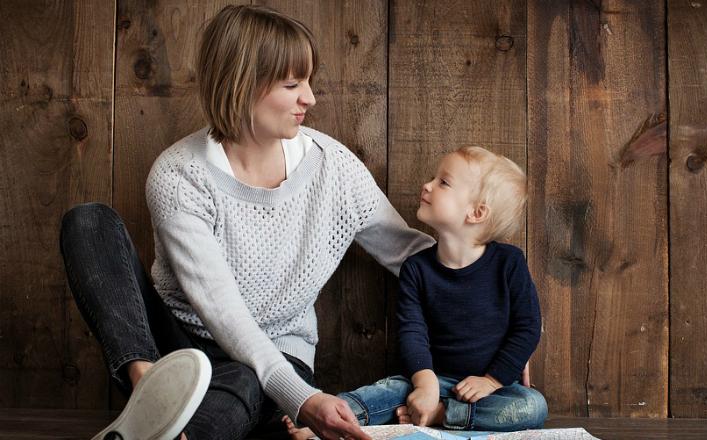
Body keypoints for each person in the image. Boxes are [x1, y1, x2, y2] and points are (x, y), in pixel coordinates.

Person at [59, 4, 434, 440]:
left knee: (241, 380)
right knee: (88, 223)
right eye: (293, 84)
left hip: (276, 356)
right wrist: (305, 400)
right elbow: (220, 308)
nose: (309, 98)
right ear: (242, 85)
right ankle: (150, 393)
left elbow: (410, 255)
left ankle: (163, 429)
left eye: (308, 82)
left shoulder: (335, 168)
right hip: (174, 346)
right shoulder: (179, 174)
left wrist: (499, 313)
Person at [284, 146, 547, 439]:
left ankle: (444, 415)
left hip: (490, 389)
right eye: (434, 178)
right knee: (386, 391)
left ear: (477, 212)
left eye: (443, 182)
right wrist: (425, 384)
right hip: (432, 378)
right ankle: (328, 418)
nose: (428, 185)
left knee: (533, 406)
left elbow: (527, 327)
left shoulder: (509, 263)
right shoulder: (417, 269)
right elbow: (412, 332)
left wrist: (492, 380)